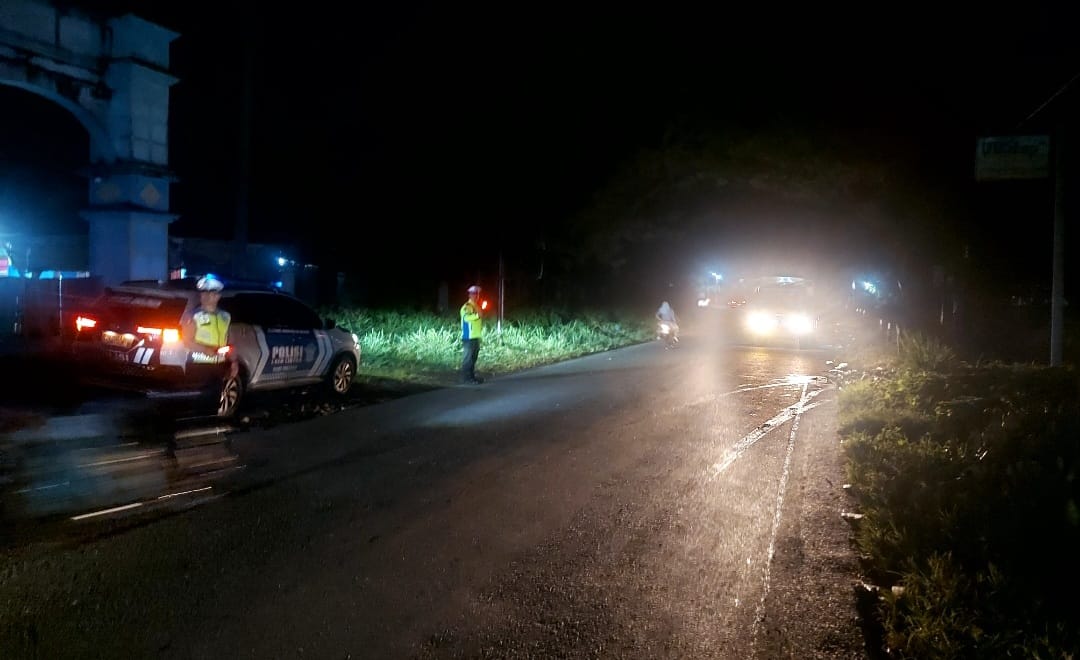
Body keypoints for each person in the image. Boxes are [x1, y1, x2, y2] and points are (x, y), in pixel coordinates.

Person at [185, 275, 239, 380]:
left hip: (219, 365)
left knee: (216, 395)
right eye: (203, 293)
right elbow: (187, 341)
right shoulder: (193, 315)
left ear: (217, 296)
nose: (205, 296)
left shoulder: (225, 316)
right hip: (198, 366)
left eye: (210, 293)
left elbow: (230, 343)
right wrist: (205, 349)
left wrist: (234, 361)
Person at [460, 284, 484, 384]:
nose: (476, 295)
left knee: (473, 359)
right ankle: (466, 379)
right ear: (469, 295)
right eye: (474, 294)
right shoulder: (467, 306)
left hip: (476, 337)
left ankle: (472, 377)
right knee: (468, 360)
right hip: (468, 337)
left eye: (477, 294)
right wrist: (477, 316)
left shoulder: (476, 306)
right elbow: (466, 318)